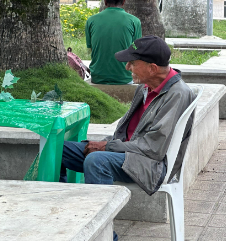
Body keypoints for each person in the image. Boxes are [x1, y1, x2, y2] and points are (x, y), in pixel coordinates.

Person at [60, 35, 196, 193]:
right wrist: (107, 144)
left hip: (151, 164)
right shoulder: (144, 88)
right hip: (127, 153)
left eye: (132, 63)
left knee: (97, 161)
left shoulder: (178, 94)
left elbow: (153, 148)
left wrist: (108, 146)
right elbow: (128, 133)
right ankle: (58, 206)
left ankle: (100, 215)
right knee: (59, 149)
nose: (127, 67)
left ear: (152, 68)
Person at [85, 0, 142, 85]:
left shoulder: (91, 21)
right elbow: (135, 50)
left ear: (105, 1)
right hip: (124, 77)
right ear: (123, 1)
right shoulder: (134, 21)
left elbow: (92, 48)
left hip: (98, 77)